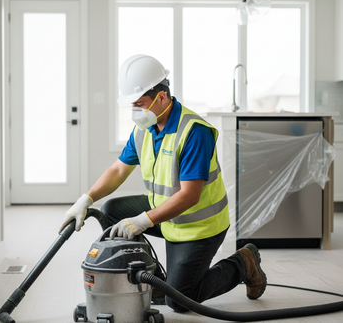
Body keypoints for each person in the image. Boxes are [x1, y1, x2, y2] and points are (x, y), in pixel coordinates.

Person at [59, 54, 267, 311]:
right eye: (132, 105)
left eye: (139, 103)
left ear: (161, 97)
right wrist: (86, 198)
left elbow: (190, 195)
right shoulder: (144, 129)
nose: (135, 111)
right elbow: (118, 170)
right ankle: (155, 279)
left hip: (199, 225)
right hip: (168, 215)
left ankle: (244, 263)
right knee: (111, 211)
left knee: (179, 301)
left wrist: (142, 221)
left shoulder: (194, 131)